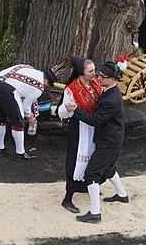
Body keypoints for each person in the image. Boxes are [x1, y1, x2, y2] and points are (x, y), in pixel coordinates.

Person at [65, 60, 128, 223]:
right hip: (111, 138)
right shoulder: (110, 91)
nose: (98, 78)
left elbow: (95, 120)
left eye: (102, 76)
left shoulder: (111, 99)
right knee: (108, 168)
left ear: (113, 78)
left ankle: (95, 213)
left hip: (109, 141)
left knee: (92, 173)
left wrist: (76, 110)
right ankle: (122, 195)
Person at [56, 58, 103, 214]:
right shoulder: (72, 89)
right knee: (75, 161)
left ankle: (89, 185)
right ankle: (67, 198)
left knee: (93, 157)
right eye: (90, 71)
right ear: (81, 72)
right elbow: (60, 112)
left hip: (94, 126)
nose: (94, 73)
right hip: (79, 128)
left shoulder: (96, 83)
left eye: (94, 70)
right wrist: (69, 109)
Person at [0, 64, 57, 160]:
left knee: (0, 119)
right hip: (8, 90)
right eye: (47, 85)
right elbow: (25, 106)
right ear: (46, 81)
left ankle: (0, 148)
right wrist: (30, 116)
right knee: (18, 122)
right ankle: (20, 153)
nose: (45, 87)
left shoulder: (26, 67)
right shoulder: (38, 85)